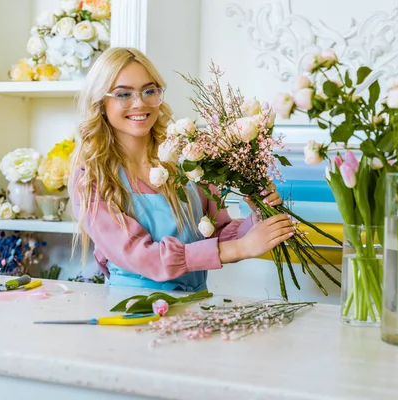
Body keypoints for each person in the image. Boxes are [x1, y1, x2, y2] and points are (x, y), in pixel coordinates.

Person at [69, 47, 295, 292]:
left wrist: (258, 219)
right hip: (133, 310)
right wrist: (240, 248)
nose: (140, 103)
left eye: (149, 91)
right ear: (101, 102)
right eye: (124, 94)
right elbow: (143, 257)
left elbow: (216, 233)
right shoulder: (92, 179)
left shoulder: (189, 160)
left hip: (195, 308)